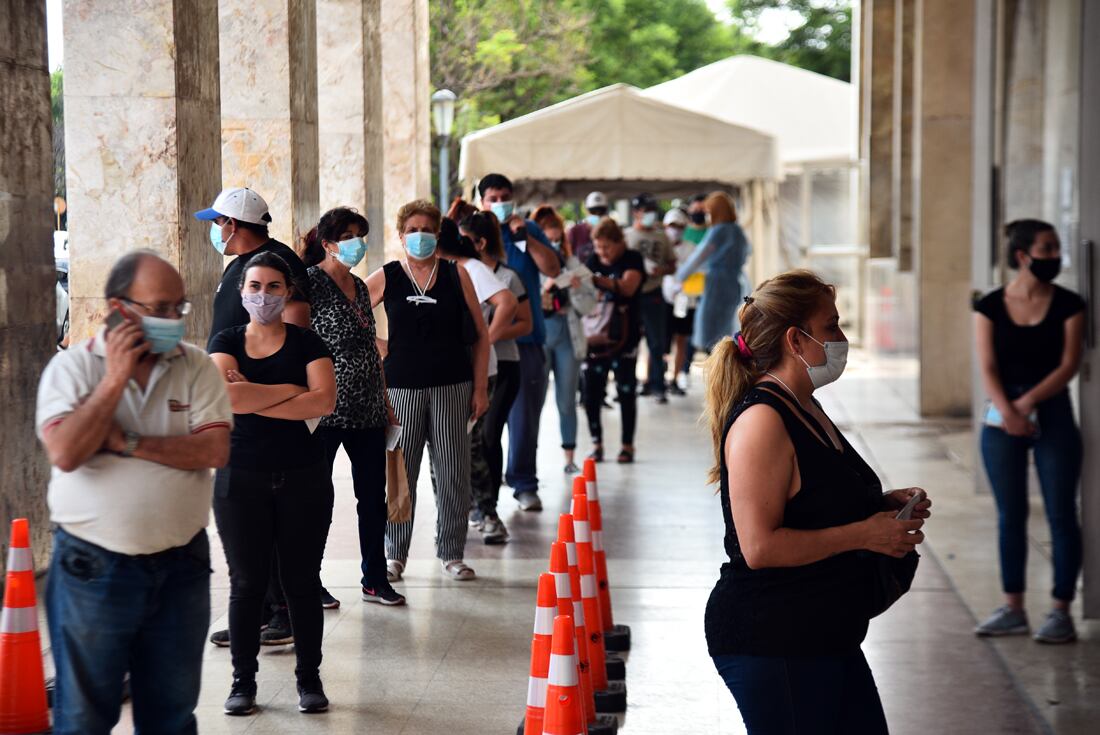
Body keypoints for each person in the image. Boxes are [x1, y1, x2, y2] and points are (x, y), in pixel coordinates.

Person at [703, 269, 931, 735]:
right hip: (775, 639)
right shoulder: (763, 421)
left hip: (825, 630)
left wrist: (881, 505)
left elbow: (812, 496)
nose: (842, 338)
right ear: (796, 340)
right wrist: (866, 533)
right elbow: (760, 547)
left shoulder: (806, 404)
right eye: (831, 326)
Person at [38, 252, 232, 735]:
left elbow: (212, 448)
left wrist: (125, 441)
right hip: (94, 569)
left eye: (178, 309)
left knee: (171, 713)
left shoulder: (196, 366)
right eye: (159, 308)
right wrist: (114, 382)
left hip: (181, 566)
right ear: (119, 308)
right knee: (84, 716)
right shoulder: (73, 370)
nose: (171, 320)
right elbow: (67, 451)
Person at [208, 252, 337, 716]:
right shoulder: (225, 339)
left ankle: (310, 680)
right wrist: (291, 393)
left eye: (274, 287)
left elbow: (323, 402)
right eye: (255, 287)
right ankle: (243, 682)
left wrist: (253, 397)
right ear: (242, 292)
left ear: (288, 293)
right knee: (246, 584)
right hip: (240, 477)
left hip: (303, 476)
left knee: (301, 583)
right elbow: (224, 397)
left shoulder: (308, 342)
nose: (264, 295)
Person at [194, 187, 316, 645]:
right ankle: (260, 610)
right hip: (238, 409)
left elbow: (297, 329)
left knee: (276, 522)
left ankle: (282, 611)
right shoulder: (236, 268)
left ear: (233, 224)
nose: (214, 230)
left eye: (218, 221)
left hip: (269, 417)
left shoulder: (274, 262)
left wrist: (270, 387)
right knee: (248, 528)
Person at [364, 199, 490, 581]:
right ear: (401, 236)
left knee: (453, 471)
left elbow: (482, 335)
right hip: (401, 387)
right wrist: (381, 346)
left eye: (427, 229)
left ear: (438, 234)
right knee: (401, 472)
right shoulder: (387, 275)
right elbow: (353, 314)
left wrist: (480, 388)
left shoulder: (456, 274)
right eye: (413, 229)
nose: (420, 236)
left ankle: (451, 550)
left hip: (453, 384)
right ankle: (395, 553)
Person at [973, 219, 1085, 643]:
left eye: (1057, 249)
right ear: (1023, 256)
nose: (1055, 257)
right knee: (1011, 515)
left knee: (1060, 513)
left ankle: (1060, 610)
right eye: (1047, 249)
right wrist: (1009, 411)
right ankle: (1013, 607)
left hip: (1051, 409)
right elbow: (986, 367)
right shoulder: (990, 307)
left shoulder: (1069, 304)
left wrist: (1026, 404)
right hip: (1002, 414)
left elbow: (1069, 365)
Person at [299, 207, 406, 607]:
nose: (356, 243)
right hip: (326, 411)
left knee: (372, 497)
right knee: (317, 498)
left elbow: (368, 346)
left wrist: (385, 399)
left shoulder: (360, 287)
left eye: (360, 234)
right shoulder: (309, 283)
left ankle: (375, 578)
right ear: (327, 244)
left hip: (367, 409)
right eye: (347, 235)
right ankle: (310, 579)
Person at [478, 173, 561, 511]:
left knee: (525, 418)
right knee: (481, 421)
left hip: (526, 339)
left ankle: (524, 482)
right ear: (481, 200)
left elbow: (553, 268)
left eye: (505, 197)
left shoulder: (527, 230)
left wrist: (526, 238)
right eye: (493, 198)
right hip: (481, 342)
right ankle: (482, 487)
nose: (500, 204)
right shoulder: (475, 232)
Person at [436, 216, 519, 544]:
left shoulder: (468, 266)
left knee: (471, 446)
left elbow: (507, 302)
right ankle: (456, 514)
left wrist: (485, 339)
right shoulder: (419, 271)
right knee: (443, 449)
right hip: (440, 374)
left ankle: (487, 513)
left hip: (477, 372)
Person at [458, 209, 533, 540]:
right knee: (471, 439)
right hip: (470, 367)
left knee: (489, 434)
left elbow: (526, 323)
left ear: (480, 242)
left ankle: (489, 506)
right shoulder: (458, 273)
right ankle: (474, 504)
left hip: (503, 365)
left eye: (464, 239)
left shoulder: (507, 278)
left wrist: (487, 335)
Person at [533, 204, 598, 473]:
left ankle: (569, 458)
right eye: (548, 239)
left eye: (558, 238)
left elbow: (590, 304)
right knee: (532, 401)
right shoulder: (528, 266)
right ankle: (528, 461)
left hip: (567, 334)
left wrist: (574, 290)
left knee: (566, 399)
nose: (554, 244)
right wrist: (545, 288)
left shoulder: (573, 265)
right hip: (538, 335)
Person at [583, 218, 644, 464]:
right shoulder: (592, 261)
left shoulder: (632, 258)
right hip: (595, 338)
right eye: (598, 247)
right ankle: (596, 443)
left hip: (625, 337)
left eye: (606, 247)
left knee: (626, 391)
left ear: (619, 243)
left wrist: (596, 280)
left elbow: (628, 287)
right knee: (591, 393)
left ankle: (627, 445)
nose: (601, 253)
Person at [676, 191, 751, 354]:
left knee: (711, 334)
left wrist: (680, 276)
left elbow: (699, 256)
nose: (707, 216)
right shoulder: (738, 232)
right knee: (727, 331)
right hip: (734, 283)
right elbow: (746, 255)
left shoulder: (718, 231)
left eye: (709, 212)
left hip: (717, 285)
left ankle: (718, 371)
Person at [625, 193, 676, 403]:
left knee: (657, 342)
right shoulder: (627, 236)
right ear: (636, 213)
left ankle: (658, 385)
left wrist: (660, 270)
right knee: (629, 341)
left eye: (651, 210)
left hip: (654, 293)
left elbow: (672, 265)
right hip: (632, 294)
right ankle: (629, 383)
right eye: (645, 211)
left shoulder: (662, 237)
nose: (649, 215)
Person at [662, 208, 696, 395]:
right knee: (661, 340)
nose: (676, 230)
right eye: (672, 226)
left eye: (679, 226)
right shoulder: (660, 246)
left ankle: (674, 378)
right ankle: (655, 378)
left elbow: (698, 273)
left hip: (684, 300)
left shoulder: (690, 248)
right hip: (663, 300)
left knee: (681, 339)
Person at [568, 190, 609, 265]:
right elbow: (569, 255)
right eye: (593, 211)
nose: (597, 214)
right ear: (586, 211)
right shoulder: (575, 231)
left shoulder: (611, 231)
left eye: (601, 211)